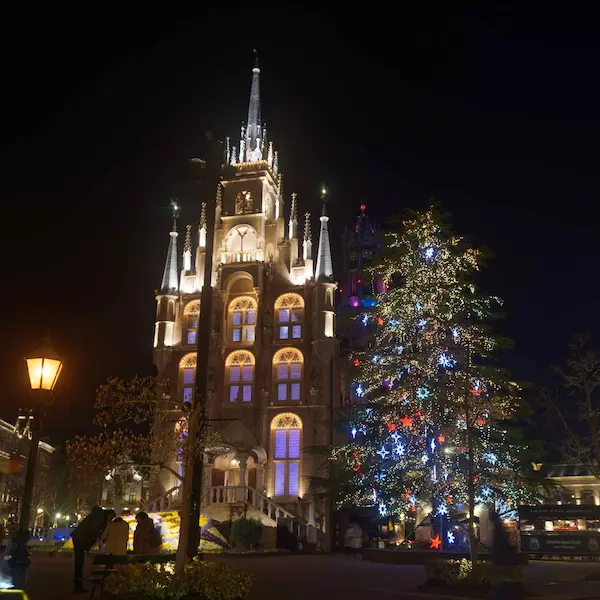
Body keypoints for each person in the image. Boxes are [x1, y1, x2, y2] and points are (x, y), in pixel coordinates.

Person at [489, 511, 524, 600]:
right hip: (501, 558)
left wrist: (496, 557)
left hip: (500, 558)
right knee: (501, 580)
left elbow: (499, 544)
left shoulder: (497, 529)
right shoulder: (499, 528)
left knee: (500, 581)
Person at [71, 506, 106, 594]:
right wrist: (97, 538)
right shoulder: (94, 520)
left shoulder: (91, 518)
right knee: (79, 563)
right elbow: (92, 532)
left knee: (79, 563)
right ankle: (78, 586)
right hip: (80, 541)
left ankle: (78, 585)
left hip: (78, 540)